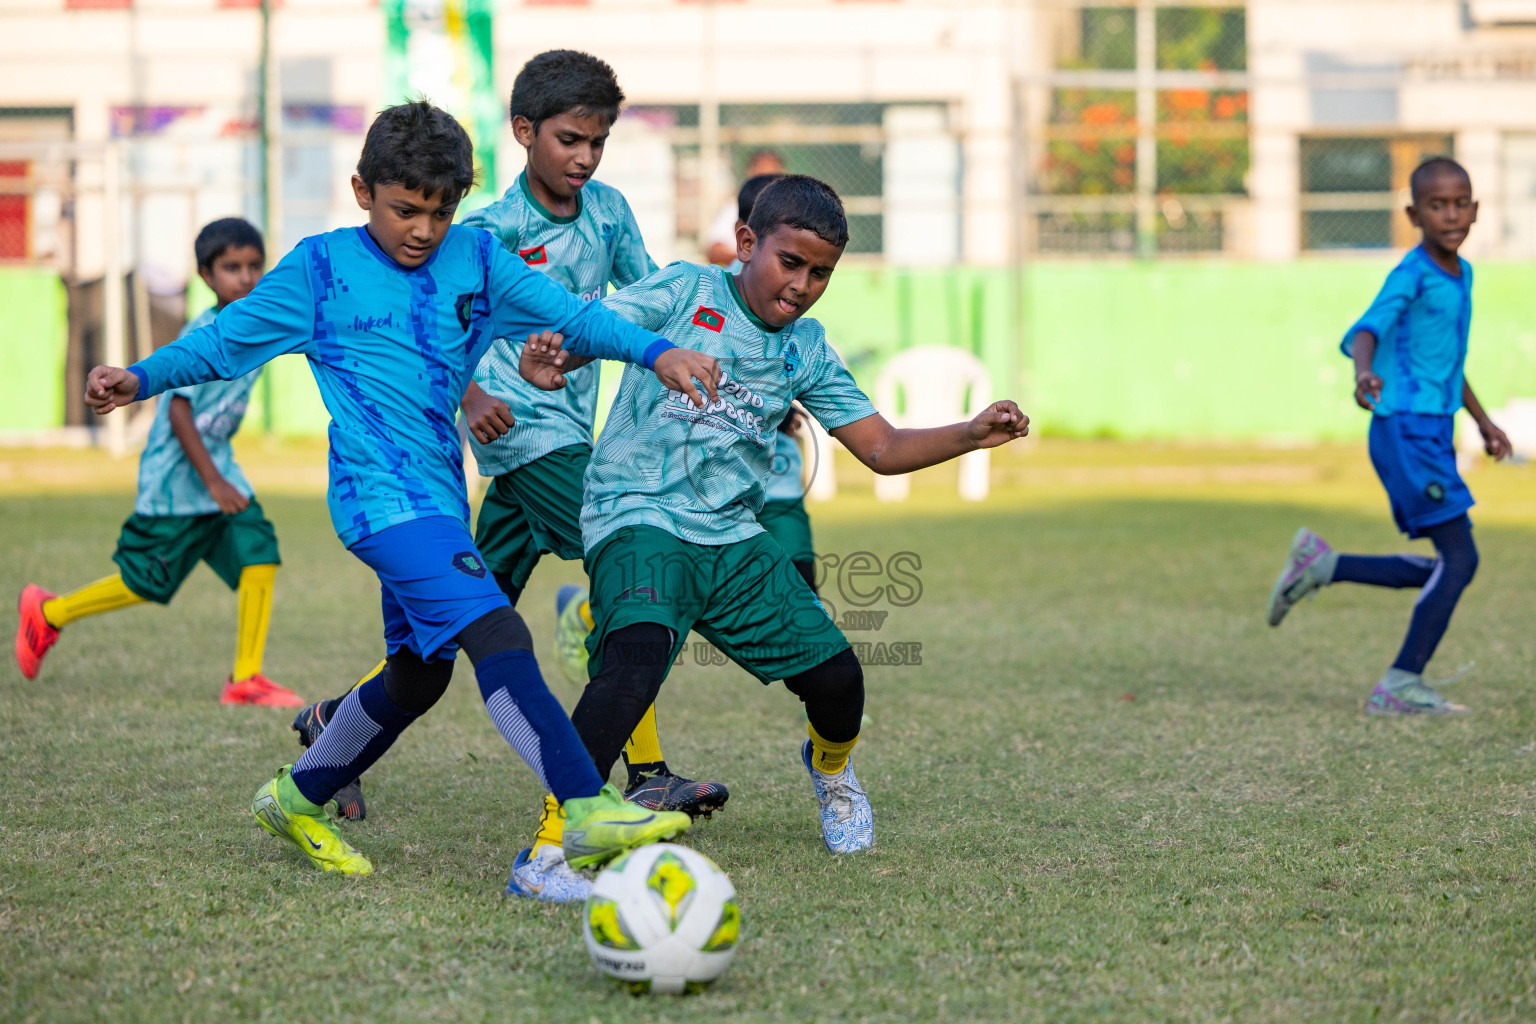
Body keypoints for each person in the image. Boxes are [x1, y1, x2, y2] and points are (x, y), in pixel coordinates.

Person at [82, 100, 723, 879]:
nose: (423, 230)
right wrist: (140, 377)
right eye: (405, 210)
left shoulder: (477, 259)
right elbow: (224, 342)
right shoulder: (320, 269)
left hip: (439, 497)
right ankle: (585, 807)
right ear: (363, 191)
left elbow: (575, 318)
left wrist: (657, 353)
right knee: (499, 632)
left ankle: (295, 796)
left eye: (440, 213)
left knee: (419, 676)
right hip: (377, 502)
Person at [291, 53, 730, 901]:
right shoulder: (480, 229)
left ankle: (330, 726)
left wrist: (706, 362)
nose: (585, 156)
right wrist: (474, 394)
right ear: (525, 133)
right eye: (569, 139)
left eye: (598, 141)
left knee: (437, 646)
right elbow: (427, 334)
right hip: (523, 442)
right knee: (635, 559)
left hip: (565, 436)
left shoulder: (609, 212)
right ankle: (641, 775)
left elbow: (641, 301)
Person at [518, 175, 1030, 856]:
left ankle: (832, 773)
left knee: (839, 681)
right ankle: (552, 846)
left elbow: (881, 448)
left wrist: (969, 433)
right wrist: (558, 355)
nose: (802, 285)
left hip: (733, 538)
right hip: (638, 514)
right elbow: (598, 326)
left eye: (821, 273)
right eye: (790, 262)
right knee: (632, 664)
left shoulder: (805, 347)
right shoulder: (687, 290)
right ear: (746, 243)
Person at [15, 218, 301, 708]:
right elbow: (179, 411)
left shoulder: (258, 325)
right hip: (178, 481)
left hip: (218, 468)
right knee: (146, 582)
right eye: (232, 267)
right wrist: (213, 482)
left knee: (259, 553)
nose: (246, 277)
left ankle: (245, 678)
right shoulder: (204, 331)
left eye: (255, 266)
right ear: (206, 276)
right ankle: (51, 612)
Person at [1266, 157, 1511, 715]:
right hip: (1405, 429)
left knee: (1452, 564)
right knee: (1460, 560)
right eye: (1437, 205)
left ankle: (1325, 565)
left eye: (1461, 203)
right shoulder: (1412, 273)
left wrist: (1483, 421)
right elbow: (1367, 329)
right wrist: (1363, 374)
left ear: (1476, 209)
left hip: (1434, 429)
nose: (1451, 215)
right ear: (1413, 214)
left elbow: (1447, 362)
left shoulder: (1464, 274)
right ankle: (1399, 684)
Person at [704, 150, 785, 266]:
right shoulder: (732, 210)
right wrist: (751, 255)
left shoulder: (791, 211)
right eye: (761, 176)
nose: (765, 184)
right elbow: (714, 252)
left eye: (772, 177)